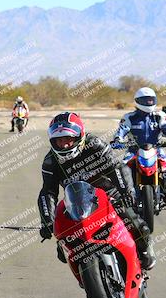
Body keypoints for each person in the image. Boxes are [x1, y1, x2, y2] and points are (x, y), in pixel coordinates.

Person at [38, 111, 156, 270]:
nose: (64, 144)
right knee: (62, 237)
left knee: (133, 220)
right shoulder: (50, 161)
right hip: (76, 203)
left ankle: (144, 249)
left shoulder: (95, 145)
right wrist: (46, 220)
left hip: (108, 195)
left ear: (80, 136)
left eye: (68, 139)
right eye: (59, 140)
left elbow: (117, 168)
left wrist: (126, 192)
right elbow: (48, 192)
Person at [113, 87, 166, 209]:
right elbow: (122, 129)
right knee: (121, 169)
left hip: (157, 150)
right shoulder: (129, 117)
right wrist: (118, 140)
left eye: (151, 100)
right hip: (133, 150)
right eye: (146, 100)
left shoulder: (159, 115)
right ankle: (125, 195)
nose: (149, 103)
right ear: (137, 101)